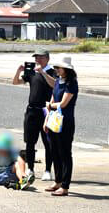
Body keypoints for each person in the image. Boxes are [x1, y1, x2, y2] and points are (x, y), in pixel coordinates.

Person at [13, 49, 57, 180]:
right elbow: (15, 82)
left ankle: (48, 170)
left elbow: (55, 85)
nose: (37, 60)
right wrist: (19, 71)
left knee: (48, 142)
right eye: (36, 58)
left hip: (46, 111)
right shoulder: (31, 72)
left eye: (40, 57)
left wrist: (42, 72)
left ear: (47, 59)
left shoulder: (52, 72)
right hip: (32, 110)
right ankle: (31, 169)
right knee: (30, 142)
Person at [45, 55, 78, 196]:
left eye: (58, 68)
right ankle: (58, 180)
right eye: (55, 68)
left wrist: (50, 105)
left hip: (66, 121)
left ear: (65, 69)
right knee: (54, 151)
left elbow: (63, 103)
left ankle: (65, 185)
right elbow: (53, 98)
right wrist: (46, 119)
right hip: (54, 120)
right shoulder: (58, 81)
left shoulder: (72, 83)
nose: (56, 70)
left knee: (65, 152)